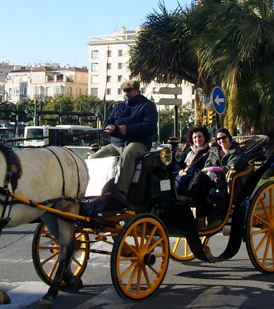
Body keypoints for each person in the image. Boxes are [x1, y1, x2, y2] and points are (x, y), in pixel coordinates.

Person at [81, 80, 158, 217]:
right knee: (94, 158)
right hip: (116, 144)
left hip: (138, 143)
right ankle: (90, 191)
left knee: (128, 154)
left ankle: (120, 193)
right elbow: (108, 121)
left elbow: (150, 127)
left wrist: (128, 129)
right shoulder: (118, 106)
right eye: (124, 91)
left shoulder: (147, 106)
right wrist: (107, 127)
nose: (126, 94)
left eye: (129, 91)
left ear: (136, 91)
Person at [188, 128, 243, 229]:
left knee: (200, 181)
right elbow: (207, 164)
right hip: (210, 178)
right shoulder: (214, 151)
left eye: (224, 138)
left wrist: (215, 169)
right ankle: (200, 221)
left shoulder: (236, 152)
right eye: (218, 139)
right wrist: (209, 169)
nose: (221, 141)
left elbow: (231, 167)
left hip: (224, 180)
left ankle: (191, 194)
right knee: (202, 187)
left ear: (229, 138)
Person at [175, 126, 211, 196]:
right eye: (195, 137)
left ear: (204, 137)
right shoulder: (188, 150)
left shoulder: (208, 152)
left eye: (200, 136)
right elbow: (177, 163)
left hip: (195, 177)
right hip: (182, 173)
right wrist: (180, 171)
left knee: (181, 180)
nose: (197, 139)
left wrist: (186, 172)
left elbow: (205, 168)